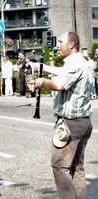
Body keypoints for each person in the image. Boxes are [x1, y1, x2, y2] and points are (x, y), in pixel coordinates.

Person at [35, 31, 93, 199]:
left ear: (72, 44)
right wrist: (42, 67)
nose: (57, 45)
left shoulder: (74, 64)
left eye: (61, 42)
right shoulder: (81, 63)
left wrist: (43, 81)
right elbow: (63, 72)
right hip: (84, 123)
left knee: (60, 166)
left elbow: (59, 84)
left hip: (70, 124)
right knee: (77, 168)